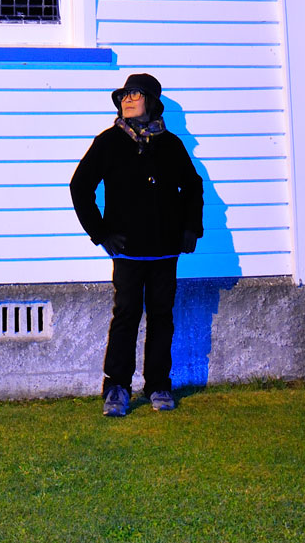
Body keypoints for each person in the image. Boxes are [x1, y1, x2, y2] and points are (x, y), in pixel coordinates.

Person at [70, 72, 203, 416]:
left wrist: (190, 228)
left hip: (165, 249)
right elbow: (79, 187)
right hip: (127, 250)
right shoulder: (108, 142)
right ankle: (116, 387)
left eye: (135, 94)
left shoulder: (171, 144)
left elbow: (192, 187)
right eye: (124, 95)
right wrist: (101, 233)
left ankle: (158, 385)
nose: (128, 100)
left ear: (152, 102)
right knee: (126, 315)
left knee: (162, 316)